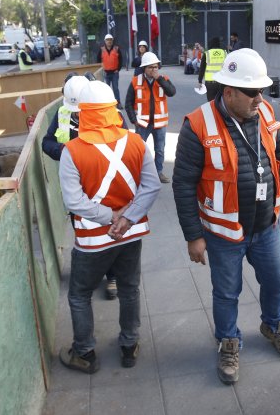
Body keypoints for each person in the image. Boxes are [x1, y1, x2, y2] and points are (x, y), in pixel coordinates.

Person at [173, 48, 280, 385]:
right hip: (223, 233)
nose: (260, 98)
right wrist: (193, 236)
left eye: (263, 90)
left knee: (276, 281)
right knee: (226, 293)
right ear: (228, 92)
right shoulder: (197, 125)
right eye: (252, 92)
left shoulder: (266, 112)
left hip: (265, 226)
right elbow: (183, 184)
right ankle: (229, 342)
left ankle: (274, 325)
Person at [58, 80, 161, 374]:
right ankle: (129, 345)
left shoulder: (72, 151)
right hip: (130, 233)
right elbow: (151, 186)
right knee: (129, 289)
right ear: (113, 110)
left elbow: (74, 201)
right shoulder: (136, 142)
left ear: (83, 114)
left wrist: (107, 217)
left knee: (80, 295)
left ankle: (84, 353)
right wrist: (125, 219)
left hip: (92, 240)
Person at [43, 72, 121, 300]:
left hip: (104, 184)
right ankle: (92, 272)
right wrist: (65, 152)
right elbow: (46, 143)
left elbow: (122, 142)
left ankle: (113, 275)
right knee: (83, 230)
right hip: (76, 187)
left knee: (109, 229)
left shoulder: (109, 114)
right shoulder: (63, 114)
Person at [125, 51, 176, 184]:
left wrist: (159, 78)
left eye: (155, 67)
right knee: (139, 150)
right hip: (142, 123)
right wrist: (133, 120)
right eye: (150, 67)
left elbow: (171, 92)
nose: (154, 69)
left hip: (160, 123)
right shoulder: (136, 81)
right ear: (144, 69)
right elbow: (128, 103)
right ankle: (139, 174)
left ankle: (158, 172)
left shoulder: (163, 79)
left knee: (159, 150)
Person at [96, 33, 124, 108]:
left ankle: (118, 103)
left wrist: (118, 69)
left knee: (115, 88)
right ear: (105, 41)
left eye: (110, 40)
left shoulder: (116, 49)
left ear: (112, 41)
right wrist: (101, 70)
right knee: (106, 89)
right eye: (107, 40)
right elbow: (98, 61)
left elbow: (121, 59)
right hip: (105, 73)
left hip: (115, 73)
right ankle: (106, 104)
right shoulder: (101, 49)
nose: (109, 41)